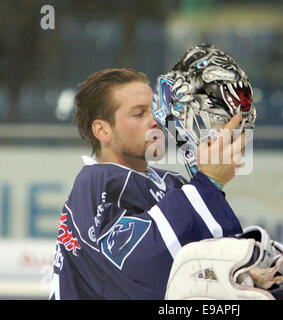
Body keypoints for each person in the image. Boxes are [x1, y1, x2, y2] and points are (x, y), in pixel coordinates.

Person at [49, 67, 245, 299]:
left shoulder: (174, 183)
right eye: (139, 113)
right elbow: (141, 268)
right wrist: (209, 182)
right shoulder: (95, 183)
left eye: (155, 110)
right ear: (102, 130)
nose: (156, 120)